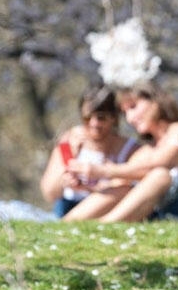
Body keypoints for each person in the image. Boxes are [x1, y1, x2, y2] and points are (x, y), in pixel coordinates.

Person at [63, 82, 178, 223]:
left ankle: (105, 225)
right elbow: (119, 186)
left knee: (160, 175)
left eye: (133, 107)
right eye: (125, 113)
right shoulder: (146, 151)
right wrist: (85, 187)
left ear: (155, 102)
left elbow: (160, 164)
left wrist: (102, 170)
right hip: (161, 213)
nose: (130, 118)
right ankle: (67, 224)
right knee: (125, 188)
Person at [39, 85, 141, 219]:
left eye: (101, 117)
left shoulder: (129, 149)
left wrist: (90, 187)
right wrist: (68, 164)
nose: (94, 123)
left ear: (114, 118)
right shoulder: (71, 139)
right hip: (67, 207)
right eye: (87, 117)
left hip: (107, 211)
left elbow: (126, 190)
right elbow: (50, 193)